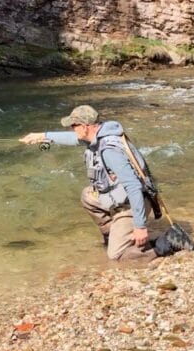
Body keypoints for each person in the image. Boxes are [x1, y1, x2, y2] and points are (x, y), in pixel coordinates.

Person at [20, 105, 182, 262]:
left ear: (85, 126)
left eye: (73, 125)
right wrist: (41, 136)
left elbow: (134, 187)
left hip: (132, 204)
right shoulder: (97, 135)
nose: (71, 129)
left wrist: (140, 227)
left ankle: (168, 243)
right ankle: (114, 235)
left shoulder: (109, 150)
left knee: (117, 256)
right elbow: (70, 138)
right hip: (120, 200)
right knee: (88, 196)